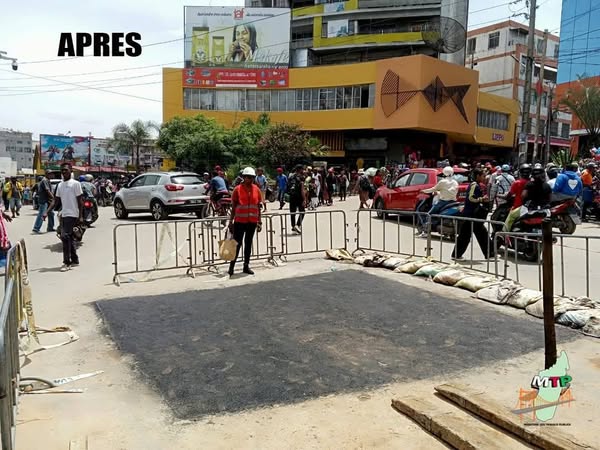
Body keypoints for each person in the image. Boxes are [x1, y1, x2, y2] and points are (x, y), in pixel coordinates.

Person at [45, 163, 83, 272]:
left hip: (73, 214)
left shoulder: (76, 184)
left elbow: (80, 201)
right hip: (64, 214)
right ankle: (75, 259)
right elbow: (55, 201)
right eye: (62, 170)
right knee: (69, 237)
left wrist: (80, 216)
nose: (64, 172)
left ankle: (67, 262)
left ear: (71, 171)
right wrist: (46, 212)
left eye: (66, 170)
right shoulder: (60, 185)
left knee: (65, 237)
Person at [451, 168, 494, 261]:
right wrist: (481, 199)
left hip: (472, 215)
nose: (484, 177)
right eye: (483, 175)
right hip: (470, 214)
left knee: (475, 234)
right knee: (472, 235)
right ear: (478, 176)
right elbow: (471, 198)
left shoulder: (478, 185)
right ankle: (490, 254)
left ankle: (490, 254)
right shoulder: (474, 185)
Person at [228, 167, 262, 276]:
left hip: (251, 222)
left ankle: (246, 266)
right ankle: (231, 267)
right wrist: (230, 221)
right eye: (248, 177)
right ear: (243, 177)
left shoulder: (256, 189)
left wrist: (259, 222)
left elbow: (258, 207)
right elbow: (233, 207)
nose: (250, 179)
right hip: (239, 221)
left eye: (252, 177)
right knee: (237, 244)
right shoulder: (237, 189)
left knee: (248, 244)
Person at [418, 166, 459, 237]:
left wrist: (423, 191)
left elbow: (433, 189)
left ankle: (425, 232)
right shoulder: (455, 182)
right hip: (453, 202)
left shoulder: (443, 182)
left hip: (443, 202)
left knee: (429, 215)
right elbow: (449, 191)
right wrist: (439, 193)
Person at [502, 164, 532, 232]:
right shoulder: (533, 183)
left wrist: (501, 196)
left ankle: (503, 234)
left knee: (510, 218)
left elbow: (509, 195)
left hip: (519, 207)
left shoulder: (517, 183)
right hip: (531, 208)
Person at [287, 165, 306, 234]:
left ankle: (293, 226)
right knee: (302, 212)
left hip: (292, 197)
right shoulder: (301, 177)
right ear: (300, 170)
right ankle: (297, 225)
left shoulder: (290, 177)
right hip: (299, 197)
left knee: (292, 212)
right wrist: (304, 199)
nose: (303, 171)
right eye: (302, 169)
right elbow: (302, 189)